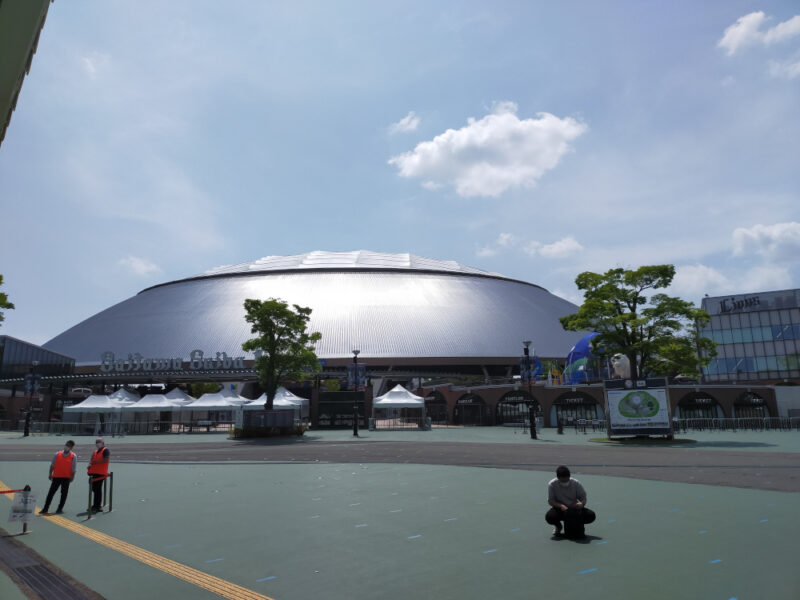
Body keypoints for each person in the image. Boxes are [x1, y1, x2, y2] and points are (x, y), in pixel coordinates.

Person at [545, 465, 596, 539]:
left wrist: (582, 503)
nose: (565, 482)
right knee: (550, 517)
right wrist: (561, 506)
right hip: (560, 509)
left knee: (591, 515)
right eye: (563, 481)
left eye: (567, 480)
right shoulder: (552, 484)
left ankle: (578, 526)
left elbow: (583, 497)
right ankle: (558, 527)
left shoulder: (575, 483)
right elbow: (551, 501)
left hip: (574, 508)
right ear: (558, 478)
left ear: (569, 476)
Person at [40, 440, 77, 515]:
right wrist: (50, 473)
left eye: (68, 445)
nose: (66, 446)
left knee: (64, 494)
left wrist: (72, 477)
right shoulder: (57, 454)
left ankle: (60, 508)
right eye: (66, 444)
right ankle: (45, 508)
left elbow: (73, 468)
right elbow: (52, 465)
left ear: (71, 447)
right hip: (56, 477)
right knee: (51, 493)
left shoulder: (73, 456)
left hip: (66, 478)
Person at [87, 437, 110, 513]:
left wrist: (96, 462)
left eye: (99, 442)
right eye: (96, 442)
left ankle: (97, 506)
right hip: (94, 472)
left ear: (103, 443)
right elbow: (91, 460)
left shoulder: (105, 450)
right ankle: (96, 505)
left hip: (100, 473)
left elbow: (106, 459)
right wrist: (90, 466)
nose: (97, 443)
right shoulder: (95, 451)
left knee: (97, 489)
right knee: (94, 489)